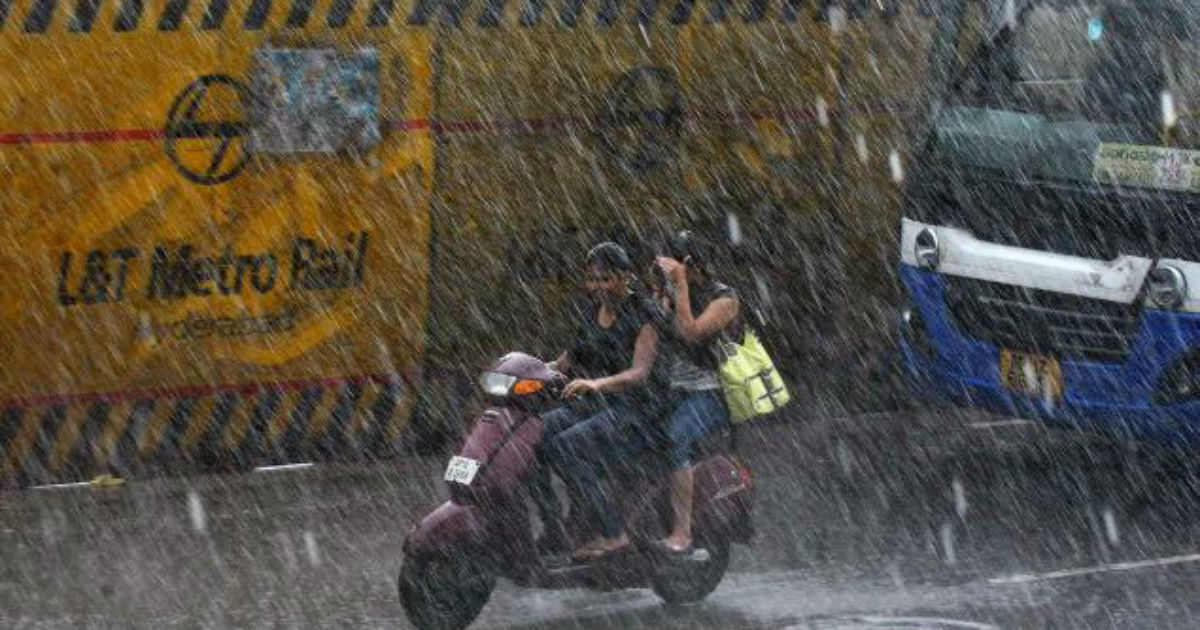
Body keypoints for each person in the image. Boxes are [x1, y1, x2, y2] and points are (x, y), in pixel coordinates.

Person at [532, 242, 663, 560]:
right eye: (593, 280)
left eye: (605, 279)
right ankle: (556, 527)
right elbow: (564, 362)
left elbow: (639, 373)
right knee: (531, 435)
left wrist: (596, 383)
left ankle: (613, 533)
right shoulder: (591, 313)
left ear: (626, 277)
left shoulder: (645, 313)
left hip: (635, 409)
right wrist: (523, 372)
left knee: (569, 445)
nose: (598, 287)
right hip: (594, 405)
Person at [652, 230, 740, 555]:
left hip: (712, 393)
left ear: (690, 264)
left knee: (677, 438)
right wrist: (661, 295)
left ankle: (683, 531)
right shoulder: (670, 291)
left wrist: (680, 287)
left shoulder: (725, 298)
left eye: (674, 265)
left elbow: (690, 333)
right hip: (674, 390)